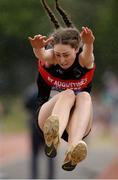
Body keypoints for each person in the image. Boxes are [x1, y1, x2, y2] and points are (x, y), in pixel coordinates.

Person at [28, 0, 95, 171]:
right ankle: (53, 138)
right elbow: (43, 54)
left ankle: (73, 149)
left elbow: (87, 54)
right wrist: (37, 49)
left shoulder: (83, 59)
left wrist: (88, 43)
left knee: (84, 96)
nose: (62, 60)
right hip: (47, 117)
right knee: (68, 94)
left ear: (76, 49)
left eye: (66, 55)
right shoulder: (51, 58)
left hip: (76, 123)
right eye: (58, 55)